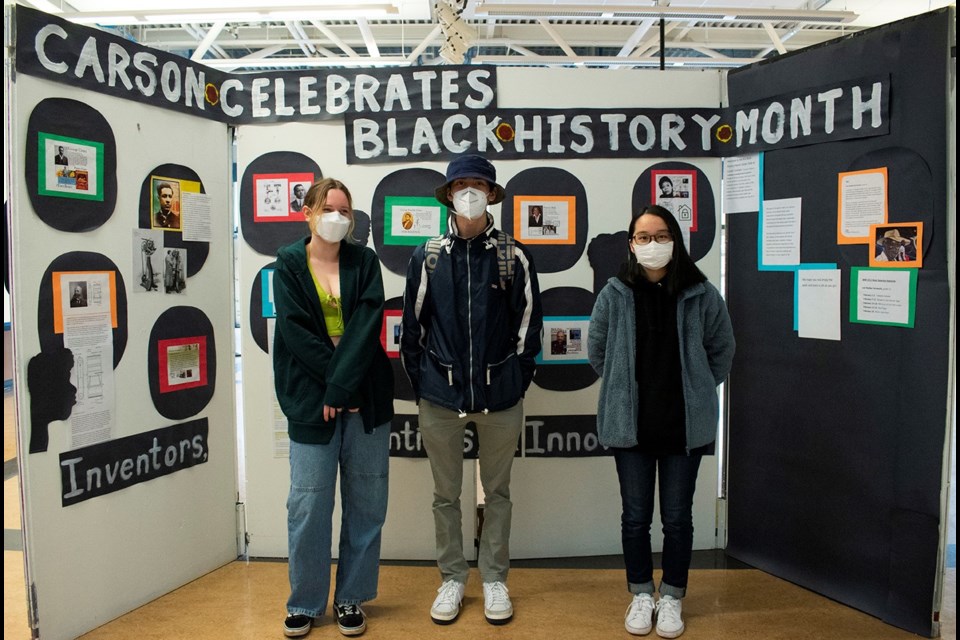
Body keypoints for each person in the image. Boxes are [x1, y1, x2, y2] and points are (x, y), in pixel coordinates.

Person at [400, 155, 542, 627]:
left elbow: (529, 329)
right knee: (446, 494)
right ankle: (452, 579)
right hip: (440, 399)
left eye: (477, 184)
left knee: (497, 492)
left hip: (499, 397)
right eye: (460, 184)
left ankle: (495, 578)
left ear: (491, 193)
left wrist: (513, 381)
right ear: (448, 194)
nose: (469, 191)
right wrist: (427, 385)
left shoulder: (512, 254)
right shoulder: (428, 254)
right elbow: (412, 330)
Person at [588, 204, 734, 639]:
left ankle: (671, 596)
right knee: (635, 518)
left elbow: (722, 351)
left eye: (661, 235)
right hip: (630, 427)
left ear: (676, 240)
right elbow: (597, 350)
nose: (652, 245)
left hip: (683, 428)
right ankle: (640, 593)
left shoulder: (702, 293)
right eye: (643, 237)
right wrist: (618, 387)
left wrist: (698, 388)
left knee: (677, 519)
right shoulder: (615, 293)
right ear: (631, 244)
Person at [273, 177, 394, 639]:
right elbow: (296, 332)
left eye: (346, 211)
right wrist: (332, 390)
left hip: (364, 397)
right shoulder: (287, 264)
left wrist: (342, 390)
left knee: (367, 501)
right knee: (308, 503)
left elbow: (366, 326)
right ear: (308, 211)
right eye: (329, 208)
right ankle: (305, 601)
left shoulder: (364, 261)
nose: (338, 218)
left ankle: (350, 597)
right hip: (311, 399)